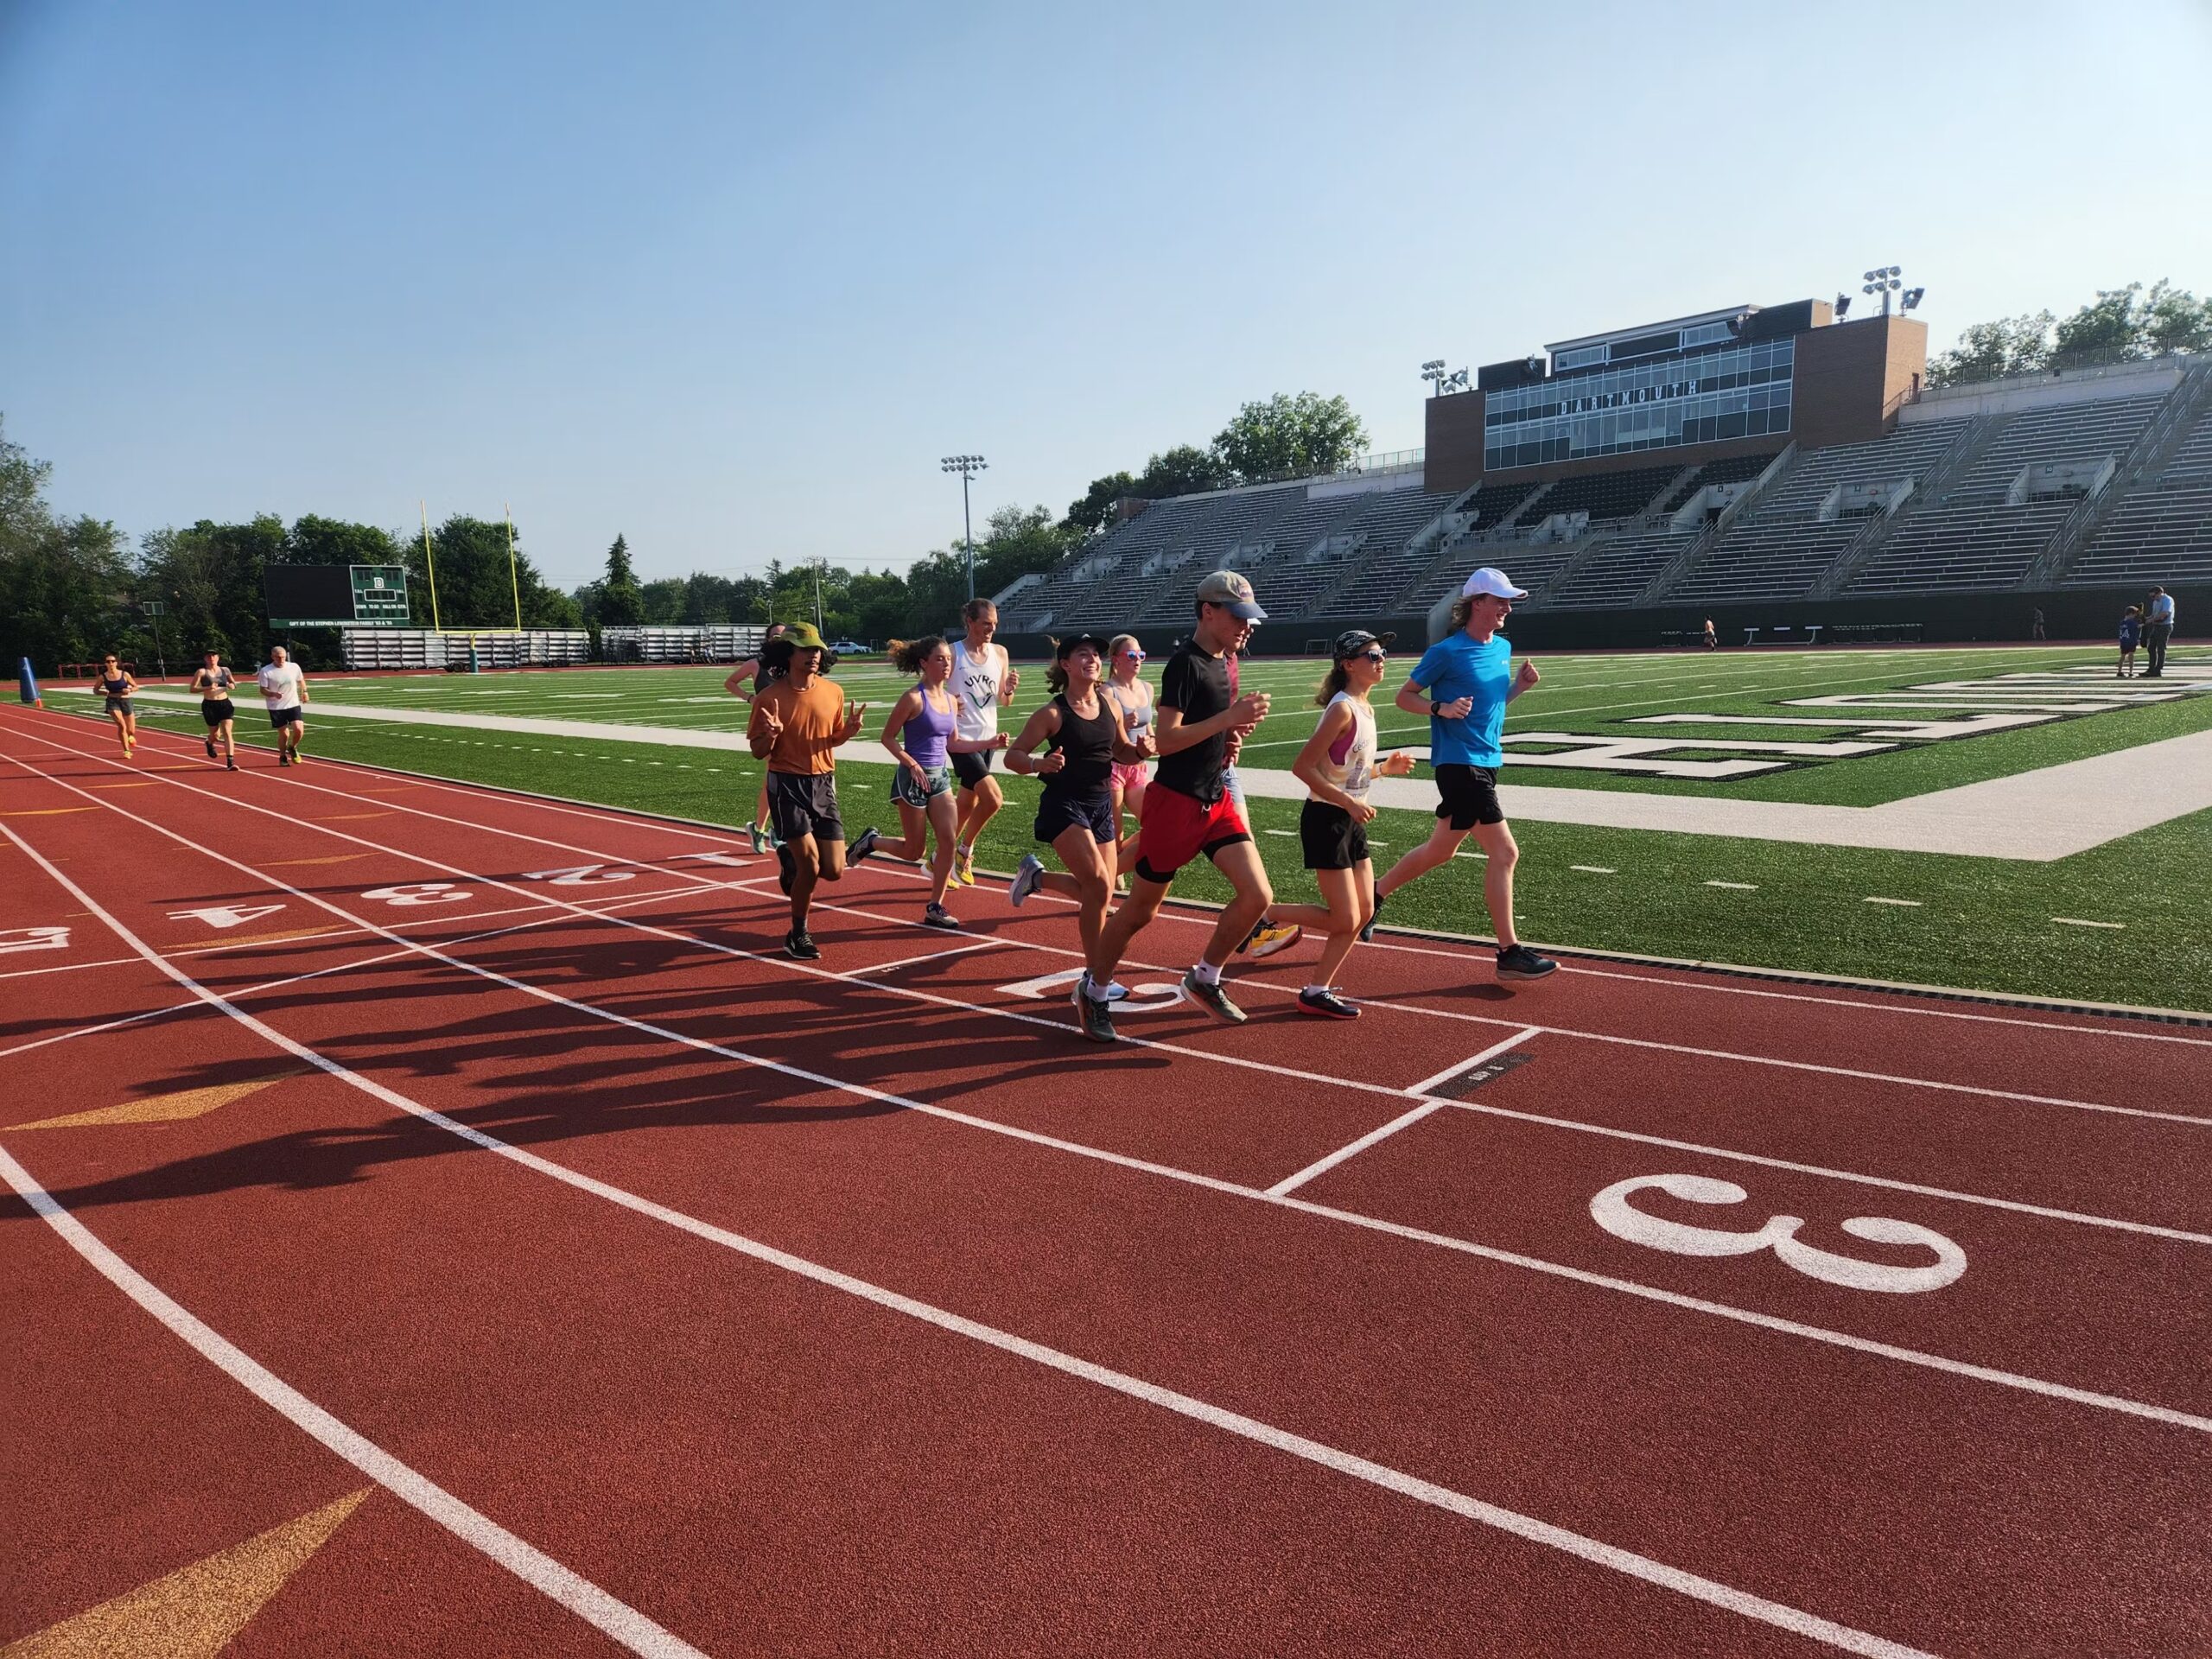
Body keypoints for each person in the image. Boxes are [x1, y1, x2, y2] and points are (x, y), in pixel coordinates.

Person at [1075, 570, 1275, 1042]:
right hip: (1175, 803)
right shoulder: (1184, 664)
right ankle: (1094, 989)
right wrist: (1229, 718)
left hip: (1216, 796)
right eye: (1238, 616)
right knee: (1140, 913)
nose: (1246, 626)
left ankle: (1204, 978)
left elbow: (1209, 728)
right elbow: (1165, 739)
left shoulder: (1228, 659)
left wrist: (1230, 739)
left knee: (1258, 896)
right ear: (1208, 611)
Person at [1363, 567, 1555, 984]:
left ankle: (1372, 896)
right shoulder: (1446, 652)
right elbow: (1404, 697)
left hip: (1488, 760)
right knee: (1505, 853)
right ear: (1477, 604)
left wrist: (1519, 688)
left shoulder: (1502, 647)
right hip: (1459, 764)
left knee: (1441, 851)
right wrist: (1440, 708)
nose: (1507, 608)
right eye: (1500, 600)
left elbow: (1492, 705)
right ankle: (1508, 952)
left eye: (1508, 601)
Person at [1253, 632, 1416, 1019]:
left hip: (1349, 817)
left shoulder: (1366, 708)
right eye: (1372, 655)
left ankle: (1316, 991)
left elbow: (1348, 776)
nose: (1381, 660)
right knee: (1345, 917)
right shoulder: (1342, 710)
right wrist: (1348, 803)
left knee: (1361, 915)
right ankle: (1265, 914)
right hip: (1326, 818)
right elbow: (1302, 767)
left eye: (1383, 653)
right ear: (1348, 664)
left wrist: (1383, 771)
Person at [1006, 636, 1157, 1038]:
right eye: (1082, 655)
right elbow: (1013, 756)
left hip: (1100, 804)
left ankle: (1036, 879)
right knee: (1099, 885)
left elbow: (1121, 751)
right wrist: (1041, 761)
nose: (1091, 660)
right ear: (1066, 665)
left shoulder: (1108, 703)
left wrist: (1141, 752)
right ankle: (1094, 981)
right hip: (1063, 804)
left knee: (1102, 894)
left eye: (1095, 654)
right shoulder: (1052, 714)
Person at [747, 622, 880, 959]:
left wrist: (847, 732)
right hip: (786, 784)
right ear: (788, 654)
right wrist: (772, 734)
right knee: (810, 867)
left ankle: (789, 858)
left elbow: (831, 739)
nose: (814, 655)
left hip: (823, 784)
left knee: (834, 870)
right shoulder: (768, 697)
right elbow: (758, 751)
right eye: (806, 649)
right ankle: (798, 933)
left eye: (817, 649)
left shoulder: (833, 692)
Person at [875, 635, 1004, 930]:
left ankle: (935, 906)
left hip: (939, 779)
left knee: (947, 841)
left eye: (948, 659)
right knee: (914, 851)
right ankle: (872, 841)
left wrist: (990, 741)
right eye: (939, 659)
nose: (946, 664)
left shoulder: (950, 700)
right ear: (924, 663)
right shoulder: (913, 698)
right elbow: (888, 737)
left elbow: (954, 744)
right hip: (912, 778)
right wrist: (911, 763)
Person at [948, 599, 1019, 887]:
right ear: (970, 622)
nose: (991, 629)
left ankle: (941, 857)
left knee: (966, 805)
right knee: (994, 799)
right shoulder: (953, 652)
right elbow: (932, 690)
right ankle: (965, 851)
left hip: (989, 737)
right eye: (986, 623)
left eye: (995, 624)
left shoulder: (999, 653)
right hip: (962, 739)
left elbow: (1004, 701)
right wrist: (949, 702)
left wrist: (1010, 690)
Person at [725, 621, 792, 852]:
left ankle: (764, 828)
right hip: (766, 728)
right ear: (767, 639)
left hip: (790, 725)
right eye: (775, 636)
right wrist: (749, 698)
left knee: (780, 781)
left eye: (783, 637)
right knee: (775, 779)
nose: (779, 640)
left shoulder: (792, 664)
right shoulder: (756, 664)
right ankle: (768, 829)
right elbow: (730, 682)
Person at [1103, 634, 1154, 869]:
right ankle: (1108, 880)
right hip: (1112, 767)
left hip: (1138, 768)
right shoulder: (1107, 692)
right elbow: (1101, 735)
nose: (1137, 660)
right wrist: (1123, 724)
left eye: (1141, 655)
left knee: (1157, 823)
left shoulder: (1147, 688)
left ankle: (1116, 865)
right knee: (1116, 832)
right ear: (1116, 660)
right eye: (1131, 655)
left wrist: (1153, 743)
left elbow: (1149, 728)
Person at [257, 645, 309, 768]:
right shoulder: (266, 671)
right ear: (272, 657)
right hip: (276, 707)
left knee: (299, 729)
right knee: (284, 734)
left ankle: (293, 747)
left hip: (293, 703)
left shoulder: (294, 667)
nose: (281, 660)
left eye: (283, 657)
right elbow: (262, 690)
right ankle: (282, 756)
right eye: (278, 657)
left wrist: (305, 692)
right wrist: (273, 694)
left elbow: (301, 680)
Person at [191, 650, 239, 772]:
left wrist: (231, 685)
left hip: (225, 703)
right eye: (209, 656)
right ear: (205, 659)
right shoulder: (201, 672)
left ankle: (230, 761)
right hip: (209, 705)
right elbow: (192, 689)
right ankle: (209, 742)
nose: (211, 658)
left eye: (214, 655)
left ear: (218, 658)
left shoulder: (225, 670)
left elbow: (234, 683)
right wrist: (208, 687)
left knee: (227, 732)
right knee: (216, 735)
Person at [95, 653, 138, 757]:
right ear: (105, 664)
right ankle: (126, 750)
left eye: (113, 661)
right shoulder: (103, 677)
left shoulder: (125, 674)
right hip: (112, 701)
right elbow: (95, 690)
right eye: (108, 662)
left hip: (126, 701)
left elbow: (136, 686)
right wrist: (103, 693)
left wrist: (130, 689)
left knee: (131, 730)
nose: (111, 663)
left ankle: (130, 736)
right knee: (122, 725)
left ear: (116, 663)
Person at [2145, 587, 2176, 677]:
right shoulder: (2155, 602)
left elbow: (2164, 614)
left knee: (2161, 648)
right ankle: (2151, 668)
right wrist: (2145, 618)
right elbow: (2154, 615)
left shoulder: (2167, 600)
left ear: (2160, 593)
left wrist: (2150, 621)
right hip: (2157, 626)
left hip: (2165, 626)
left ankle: (2158, 669)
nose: (2153, 598)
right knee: (2151, 647)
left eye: (2154, 596)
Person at [2118, 606, 2143, 678]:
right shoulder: (2131, 622)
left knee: (2123, 656)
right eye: (2134, 614)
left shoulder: (2122, 622)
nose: (2135, 616)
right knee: (2131, 656)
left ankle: (2119, 671)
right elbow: (2138, 626)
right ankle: (2131, 671)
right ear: (2131, 614)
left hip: (2123, 642)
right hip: (2131, 642)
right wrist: (2144, 623)